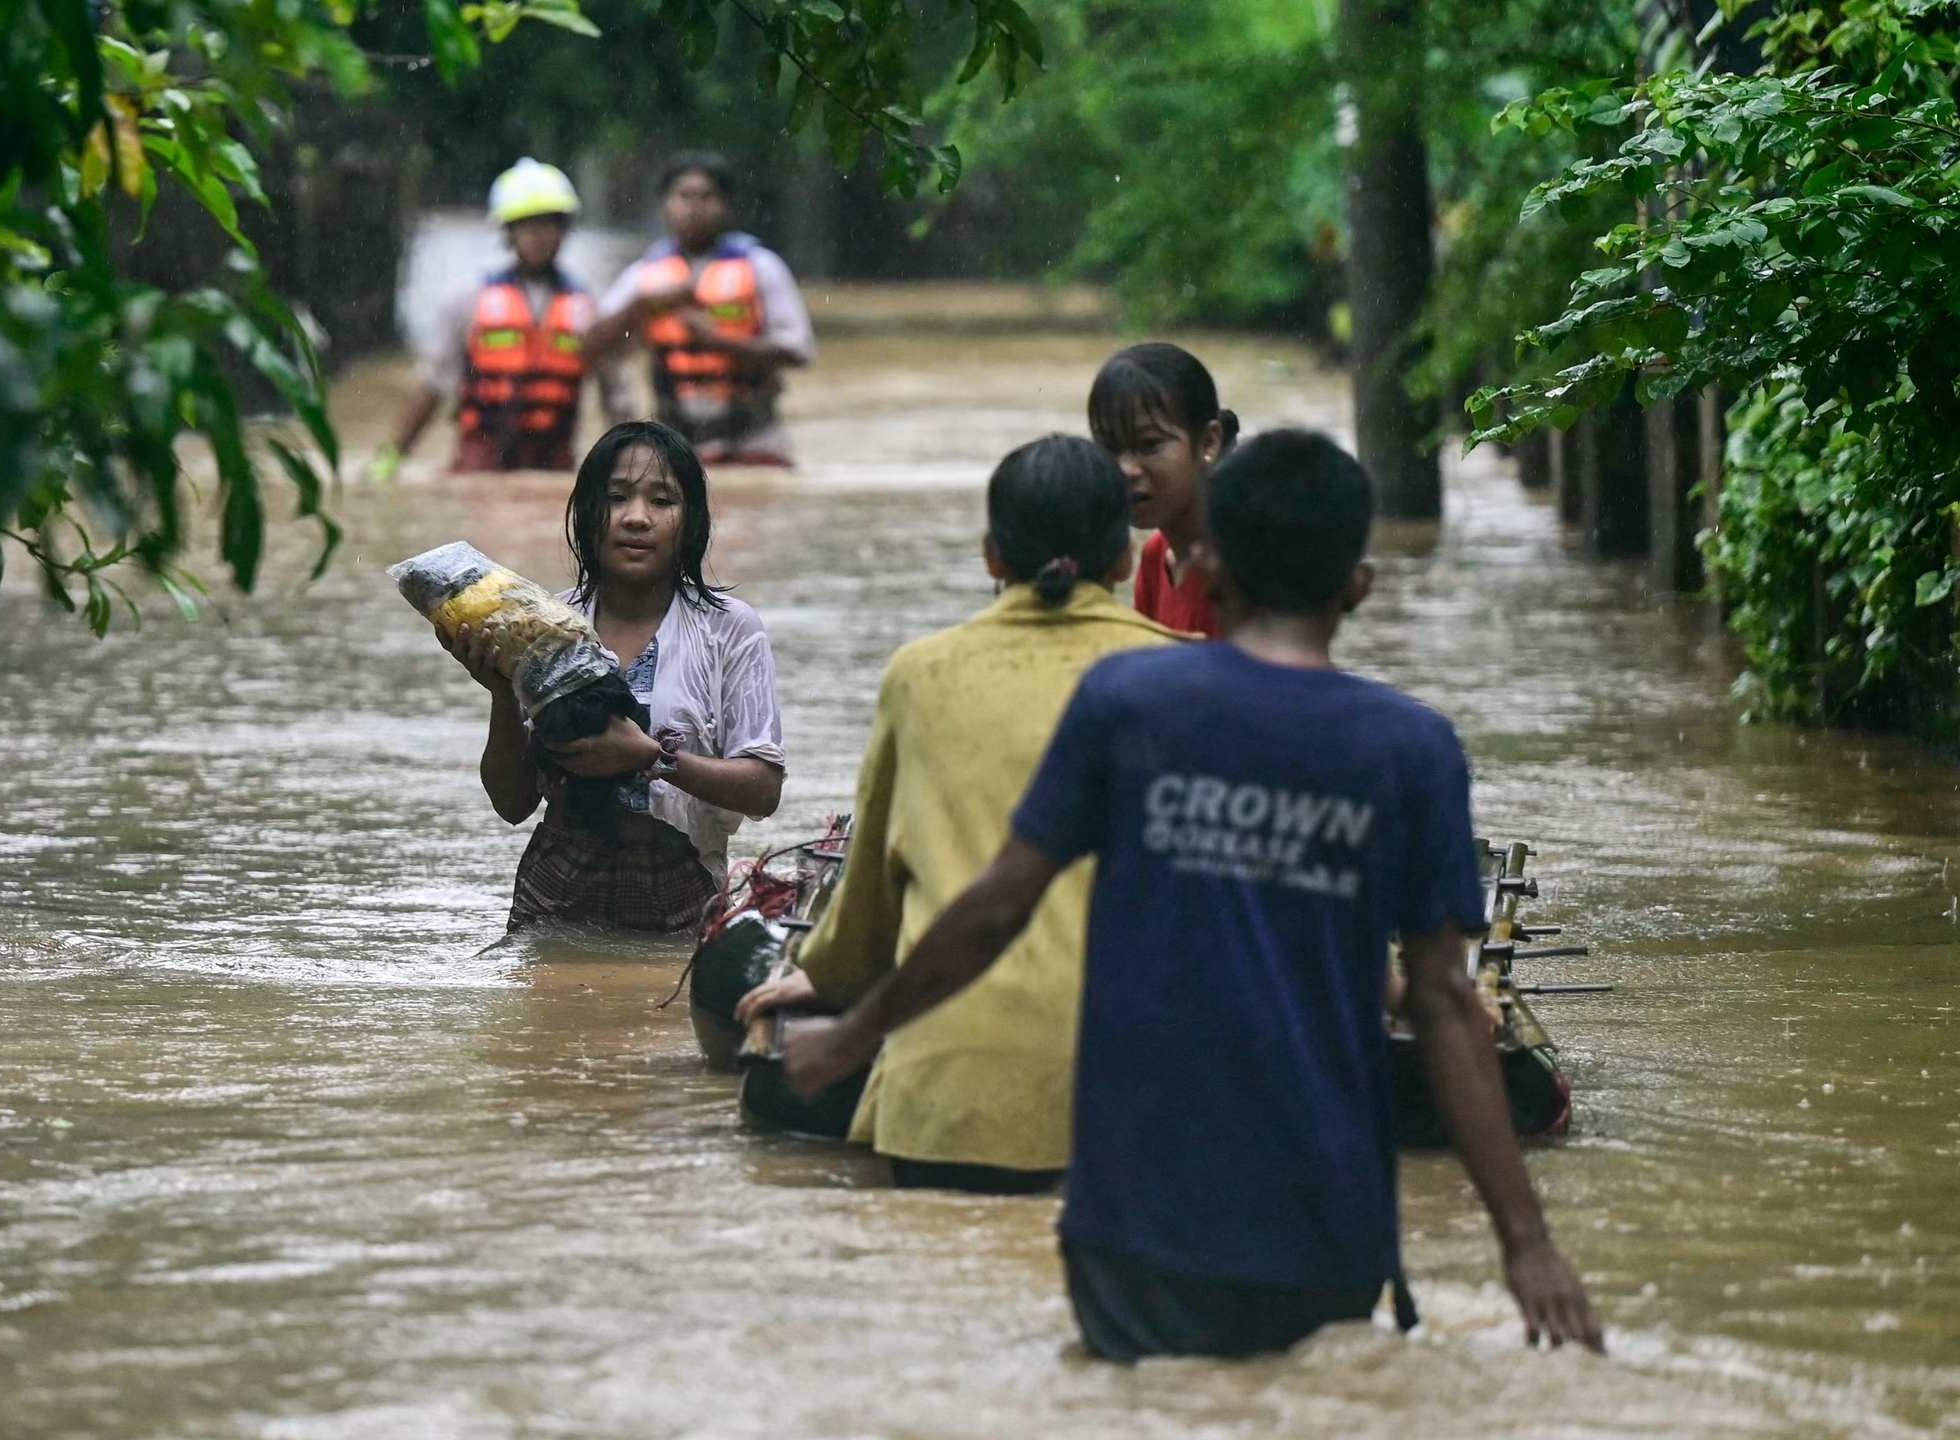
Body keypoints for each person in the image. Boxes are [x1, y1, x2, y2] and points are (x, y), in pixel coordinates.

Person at [781, 431, 1604, 1361]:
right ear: (1359, 584)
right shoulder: (1412, 749)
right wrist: (1527, 1246)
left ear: (1203, 566)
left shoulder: (1129, 703)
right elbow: (1449, 1003)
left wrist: (853, 1034)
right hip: (1324, 1219)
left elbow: (995, 906)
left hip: (1136, 1218)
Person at [733, 437, 1181, 1193]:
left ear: (991, 557)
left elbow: (873, 890)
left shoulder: (921, 675)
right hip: (1143, 1103)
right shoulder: (1187, 674)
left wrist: (821, 977)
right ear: (1125, 561)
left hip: (953, 1097)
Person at [441, 421, 786, 931]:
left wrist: (652, 757)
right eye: (617, 497)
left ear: (690, 522)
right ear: (586, 515)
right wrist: (501, 689)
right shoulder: (546, 622)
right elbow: (513, 805)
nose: (636, 518)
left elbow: (763, 788)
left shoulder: (730, 629)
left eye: (662, 501)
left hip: (686, 894)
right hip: (554, 889)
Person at [371, 158, 632, 479]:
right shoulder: (469, 301)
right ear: (508, 232)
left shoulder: (590, 308)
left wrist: (629, 464)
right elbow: (431, 386)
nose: (538, 235)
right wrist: (393, 457)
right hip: (479, 463)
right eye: (526, 225)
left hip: (554, 465)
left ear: (564, 229)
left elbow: (617, 395)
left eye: (549, 223)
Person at [583, 153, 814, 467]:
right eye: (684, 196)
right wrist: (640, 306)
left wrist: (720, 342)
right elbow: (593, 346)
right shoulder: (644, 276)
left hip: (754, 435)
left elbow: (798, 349)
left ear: (726, 206)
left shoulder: (761, 266)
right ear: (666, 204)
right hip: (676, 440)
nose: (694, 208)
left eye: (707, 197)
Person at [1087, 343, 1238, 638]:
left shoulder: (1241, 568)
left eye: (1149, 445)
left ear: (1209, 442)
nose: (1126, 469)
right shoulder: (1155, 557)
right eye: (1109, 448)